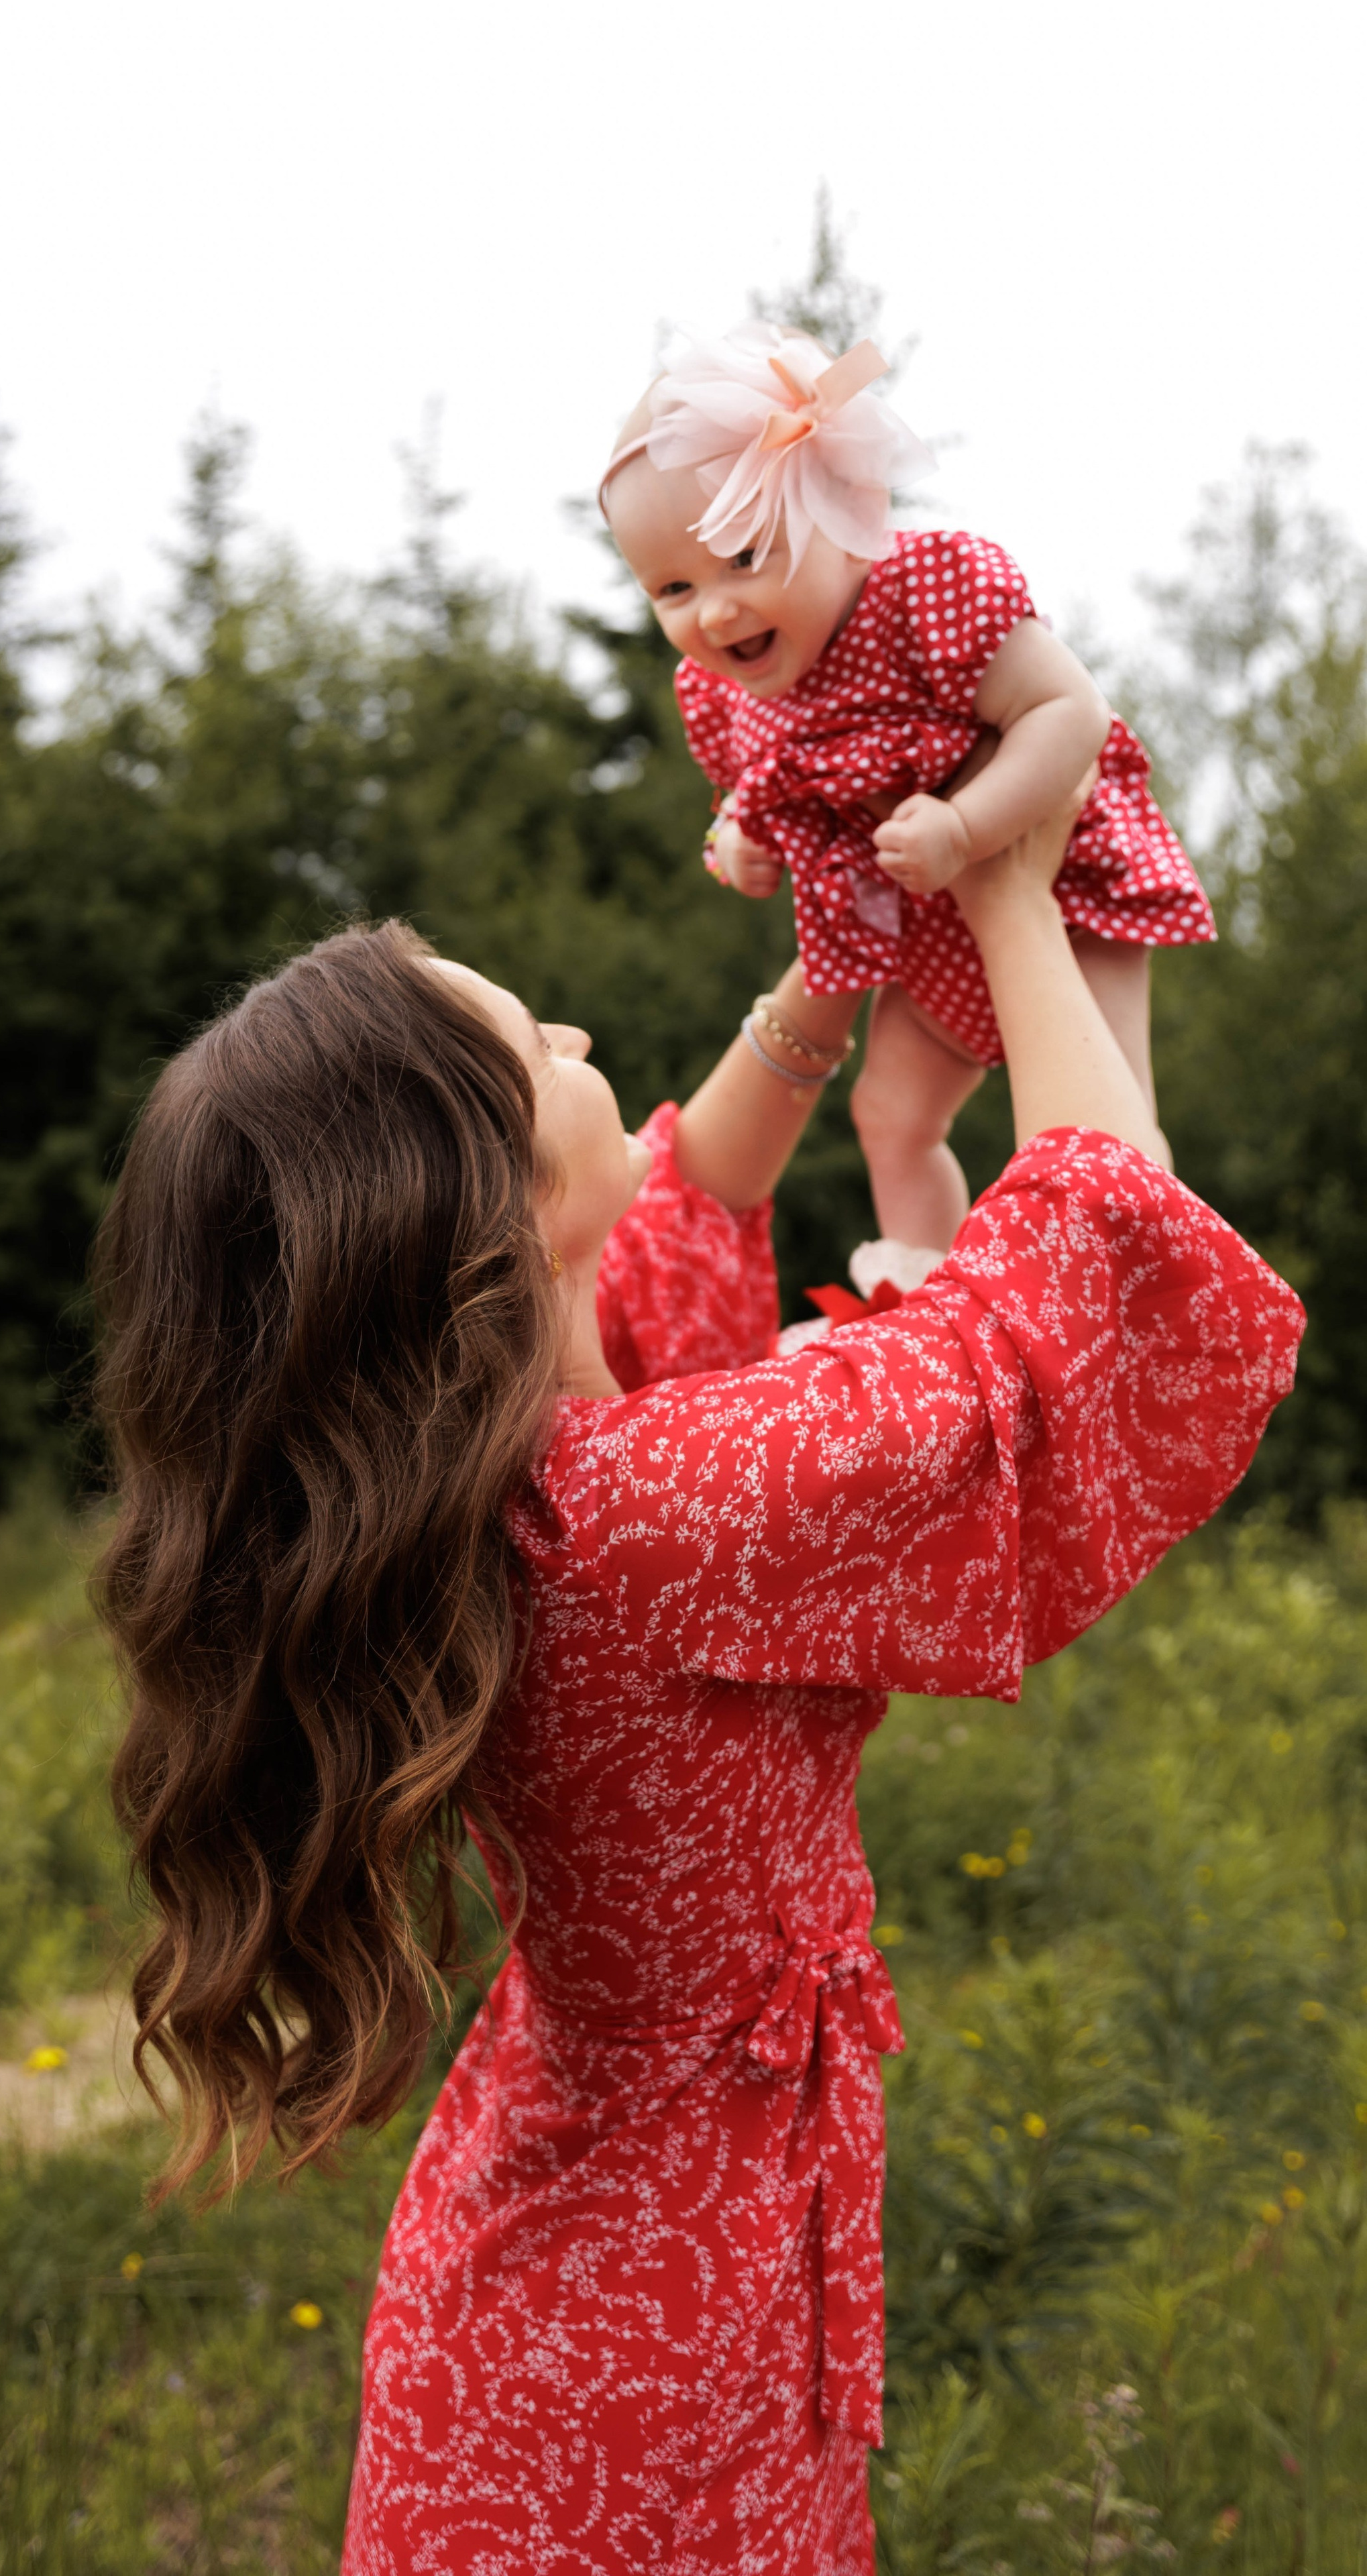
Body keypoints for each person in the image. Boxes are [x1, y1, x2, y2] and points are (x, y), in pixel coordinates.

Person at [90, 802, 1302, 2575]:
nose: (586, 1041)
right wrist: (1016, 885)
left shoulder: (508, 1475)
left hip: (588, 2266)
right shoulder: (667, 1508)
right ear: (484, 1204)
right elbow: (1097, 1266)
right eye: (546, 1041)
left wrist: (834, 972)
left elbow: (698, 1195)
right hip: (649, 2324)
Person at [600, 319, 1216, 1289]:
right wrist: (734, 848)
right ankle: (925, 1304)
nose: (712, 610)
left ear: (846, 509)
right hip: (922, 919)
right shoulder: (723, 691)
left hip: (1059, 875)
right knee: (889, 1115)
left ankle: (1129, 1288)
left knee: (1109, 1124)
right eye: (672, 587)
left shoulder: (926, 591)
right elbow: (739, 803)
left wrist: (970, 825)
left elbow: (1071, 713)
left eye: (745, 557)